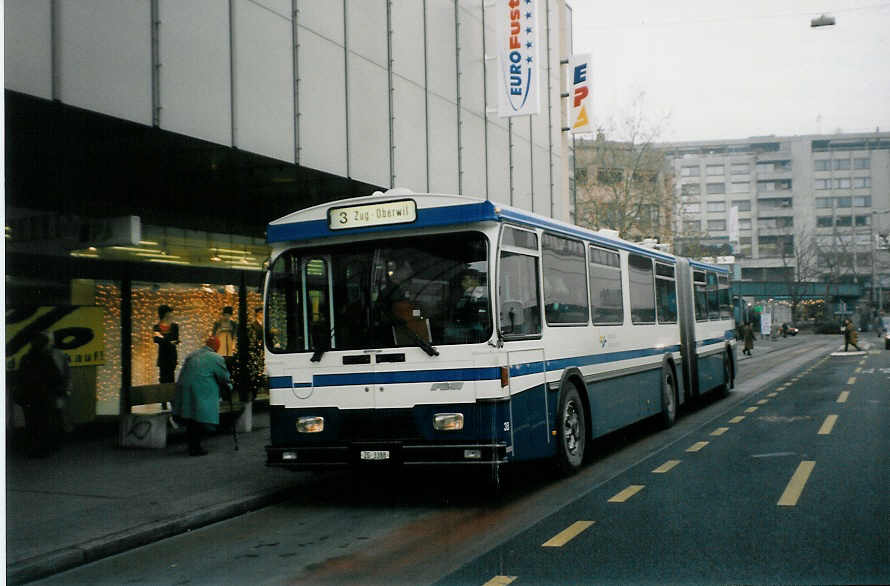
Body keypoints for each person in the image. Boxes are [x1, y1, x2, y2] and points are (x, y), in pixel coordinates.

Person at [15, 331, 72, 457]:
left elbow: (20, 378)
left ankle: (33, 448)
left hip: (29, 397)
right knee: (45, 423)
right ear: (45, 345)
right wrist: (61, 390)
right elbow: (56, 378)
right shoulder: (47, 358)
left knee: (32, 423)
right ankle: (44, 449)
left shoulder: (26, 358)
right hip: (45, 397)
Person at [173, 336, 232, 456]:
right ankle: (196, 447)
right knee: (199, 418)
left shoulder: (192, 355)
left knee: (191, 418)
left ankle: (193, 445)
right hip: (201, 391)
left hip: (185, 390)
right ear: (217, 346)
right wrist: (229, 387)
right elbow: (223, 377)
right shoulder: (216, 358)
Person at [153, 305, 179, 410]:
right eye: (169, 312)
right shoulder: (157, 327)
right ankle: (163, 401)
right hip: (163, 357)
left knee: (171, 379)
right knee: (163, 379)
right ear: (164, 314)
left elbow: (175, 339)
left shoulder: (174, 326)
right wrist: (169, 341)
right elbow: (156, 340)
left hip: (171, 356)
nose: (171, 314)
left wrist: (163, 338)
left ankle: (172, 400)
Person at [212, 306, 238, 371]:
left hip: (229, 347)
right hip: (220, 347)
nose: (227, 317)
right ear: (223, 315)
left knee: (229, 364)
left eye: (229, 315)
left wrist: (233, 345)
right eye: (226, 315)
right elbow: (214, 335)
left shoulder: (233, 324)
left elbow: (235, 335)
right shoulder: (218, 323)